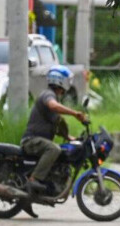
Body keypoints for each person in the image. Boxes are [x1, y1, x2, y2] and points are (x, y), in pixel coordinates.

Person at [21, 65, 87, 193]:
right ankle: (34, 180)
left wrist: (69, 138)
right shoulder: (48, 94)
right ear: (60, 80)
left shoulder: (54, 97)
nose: (69, 83)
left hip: (38, 141)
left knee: (60, 150)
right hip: (31, 140)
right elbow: (53, 106)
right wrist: (75, 113)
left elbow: (57, 124)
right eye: (68, 80)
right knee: (54, 148)